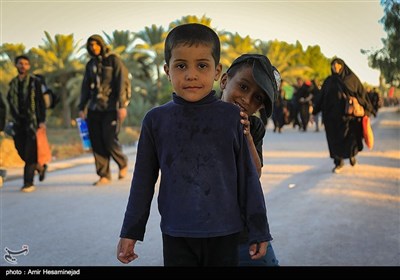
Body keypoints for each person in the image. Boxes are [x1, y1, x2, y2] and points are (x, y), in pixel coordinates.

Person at [117, 23, 272, 267]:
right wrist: (130, 231)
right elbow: (143, 181)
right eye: (181, 66)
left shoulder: (232, 118)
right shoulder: (155, 121)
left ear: (216, 70)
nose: (191, 74)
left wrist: (259, 228)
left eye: (202, 65)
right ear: (167, 71)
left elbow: (249, 178)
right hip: (177, 231)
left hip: (225, 232)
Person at [220, 54, 280, 266]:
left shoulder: (254, 128)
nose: (247, 100)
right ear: (224, 81)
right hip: (206, 229)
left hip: (244, 228)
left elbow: (255, 173)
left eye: (257, 98)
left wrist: (246, 136)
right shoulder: (202, 116)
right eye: (243, 87)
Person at [78, 34, 129, 186]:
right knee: (97, 142)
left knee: (109, 138)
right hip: (94, 108)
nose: (94, 48)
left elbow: (122, 82)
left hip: (111, 107)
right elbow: (85, 87)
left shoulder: (113, 60)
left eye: (96, 44)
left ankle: (122, 162)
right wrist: (82, 107)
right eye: (91, 45)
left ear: (101, 44)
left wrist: (122, 105)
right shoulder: (90, 65)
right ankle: (104, 175)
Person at [312, 58, 373, 173]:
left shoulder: (351, 79)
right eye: (333, 65)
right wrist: (314, 112)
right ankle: (338, 162)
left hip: (348, 118)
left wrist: (365, 109)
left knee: (350, 139)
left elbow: (362, 95)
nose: (335, 67)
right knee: (334, 141)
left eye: (338, 64)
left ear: (342, 66)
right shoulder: (329, 81)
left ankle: (351, 156)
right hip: (331, 118)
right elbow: (321, 97)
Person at [6, 55, 48, 192]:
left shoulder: (35, 82)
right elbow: (10, 103)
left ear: (29, 66)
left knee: (30, 152)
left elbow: (41, 103)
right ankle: (40, 167)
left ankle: (28, 182)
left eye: (25, 63)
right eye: (20, 63)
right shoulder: (12, 84)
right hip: (18, 122)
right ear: (16, 65)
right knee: (21, 151)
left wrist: (42, 121)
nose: (23, 66)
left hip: (32, 122)